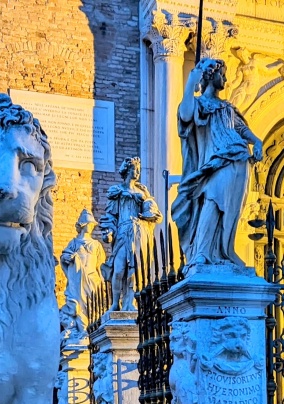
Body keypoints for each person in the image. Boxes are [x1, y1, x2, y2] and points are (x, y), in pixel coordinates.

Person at [172, 58, 263, 269]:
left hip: (239, 158)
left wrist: (257, 141)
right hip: (215, 162)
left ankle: (224, 250)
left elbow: (241, 129)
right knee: (212, 200)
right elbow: (185, 115)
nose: (226, 78)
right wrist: (190, 83)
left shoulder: (227, 107)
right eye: (222, 74)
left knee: (231, 208)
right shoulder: (198, 104)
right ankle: (201, 252)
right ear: (210, 76)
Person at [104, 158, 161, 312]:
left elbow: (152, 211)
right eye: (136, 169)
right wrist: (109, 231)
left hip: (139, 233)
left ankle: (130, 302)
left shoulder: (142, 192)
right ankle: (115, 303)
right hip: (123, 232)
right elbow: (110, 215)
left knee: (135, 271)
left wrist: (148, 202)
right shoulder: (117, 191)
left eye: (139, 169)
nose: (138, 172)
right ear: (128, 170)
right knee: (118, 270)